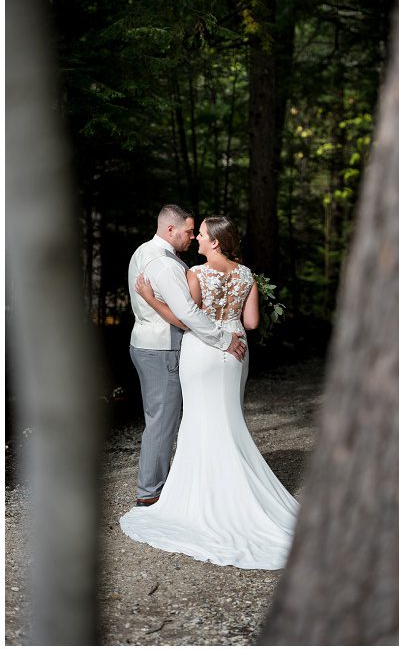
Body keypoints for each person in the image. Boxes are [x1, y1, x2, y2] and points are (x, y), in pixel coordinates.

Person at [120, 215, 300, 570]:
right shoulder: (247, 275)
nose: (197, 239)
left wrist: (149, 299)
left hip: (202, 350)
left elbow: (187, 317)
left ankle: (202, 498)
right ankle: (237, 494)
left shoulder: (196, 274)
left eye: (201, 234)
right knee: (228, 418)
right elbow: (251, 323)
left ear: (215, 242)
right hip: (237, 349)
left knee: (199, 420)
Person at [127, 205, 247, 507]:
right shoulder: (165, 265)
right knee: (163, 419)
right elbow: (187, 314)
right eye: (189, 231)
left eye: (197, 233)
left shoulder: (145, 251)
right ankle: (151, 492)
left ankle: (162, 484)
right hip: (161, 347)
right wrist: (223, 339)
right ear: (171, 230)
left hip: (146, 342)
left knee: (163, 417)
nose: (192, 237)